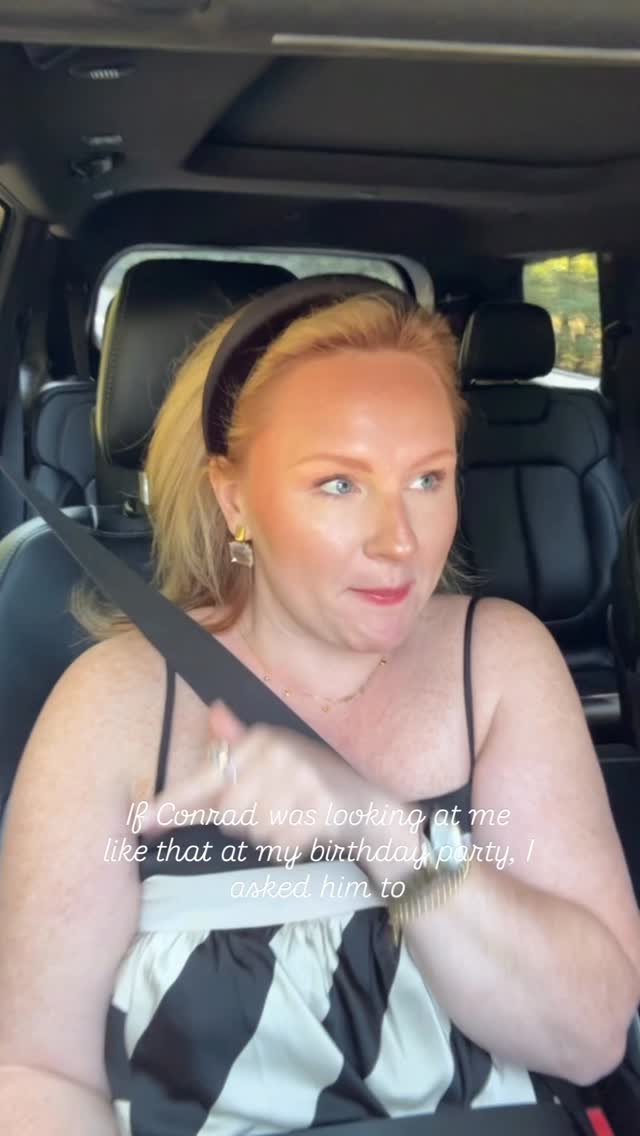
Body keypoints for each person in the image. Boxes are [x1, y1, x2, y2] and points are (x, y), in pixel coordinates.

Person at [0, 276, 639, 1136]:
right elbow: (37, 1071)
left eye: (428, 478)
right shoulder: (110, 708)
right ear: (234, 498)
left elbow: (591, 1038)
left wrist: (380, 831)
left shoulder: (500, 662)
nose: (399, 541)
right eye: (339, 484)